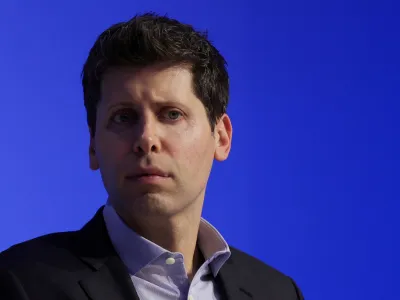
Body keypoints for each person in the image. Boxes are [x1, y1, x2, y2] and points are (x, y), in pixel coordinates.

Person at [0, 12, 304, 300]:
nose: (146, 138)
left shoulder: (277, 292)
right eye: (123, 117)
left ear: (221, 137)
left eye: (172, 114)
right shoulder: (20, 282)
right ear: (93, 144)